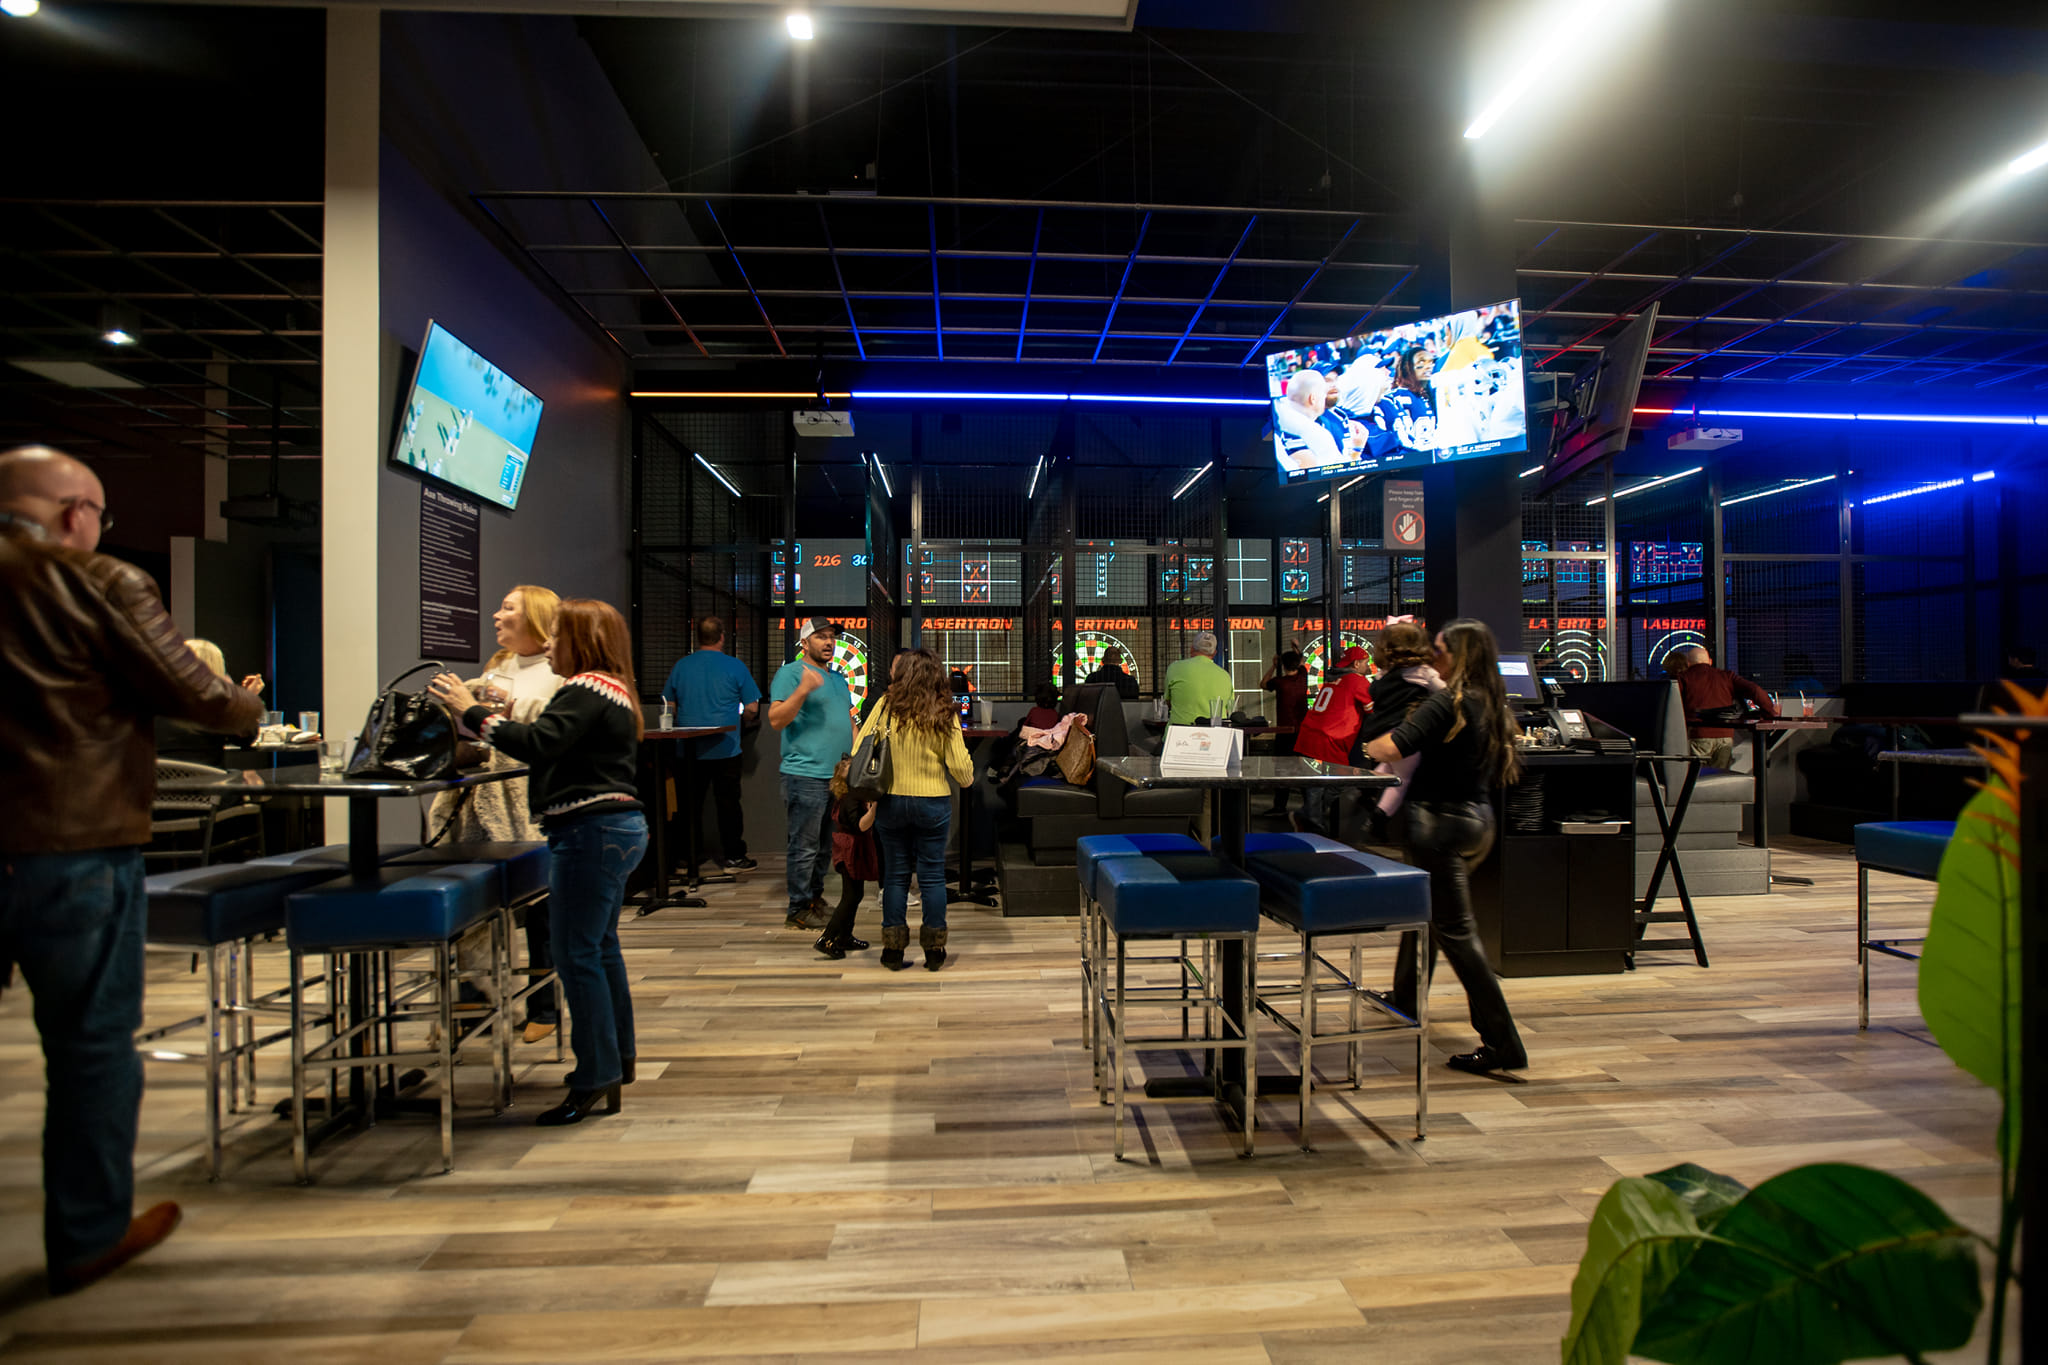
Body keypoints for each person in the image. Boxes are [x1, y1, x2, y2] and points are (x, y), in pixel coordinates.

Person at [0, 444, 264, 1294]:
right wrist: (250, 704)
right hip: (71, 841)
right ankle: (88, 1233)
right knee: (90, 1043)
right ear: (75, 513)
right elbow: (202, 694)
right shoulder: (98, 581)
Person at [431, 598, 649, 1127]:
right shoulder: (613, 688)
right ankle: (615, 1061)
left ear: (581, 640)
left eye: (556, 635)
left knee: (577, 955)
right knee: (599, 949)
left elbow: (538, 744)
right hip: (615, 829)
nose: (549, 644)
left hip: (589, 832)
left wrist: (471, 710)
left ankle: (593, 1075)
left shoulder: (585, 688)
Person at [1364, 618, 1529, 1075]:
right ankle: (1405, 995)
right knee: (1428, 914)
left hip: (1437, 827)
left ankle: (1502, 1042)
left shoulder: (1447, 702)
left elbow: (1391, 748)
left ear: (1460, 656)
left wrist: (1371, 740)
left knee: (1457, 934)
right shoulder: (1492, 703)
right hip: (1478, 824)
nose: (1432, 656)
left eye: (1440, 649)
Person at [429, 585, 563, 1045]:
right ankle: (474, 999)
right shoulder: (496, 667)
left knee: (542, 908)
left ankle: (544, 1004)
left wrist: (477, 709)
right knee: (475, 901)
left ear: (536, 618)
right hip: (479, 803)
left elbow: (545, 733)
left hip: (533, 804)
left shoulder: (558, 673)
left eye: (508, 608)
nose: (496, 616)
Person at [855, 648, 973, 971]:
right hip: (933, 802)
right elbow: (962, 771)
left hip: (891, 801)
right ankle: (934, 952)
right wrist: (966, 776)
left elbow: (859, 748)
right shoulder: (944, 710)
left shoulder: (885, 705)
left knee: (895, 876)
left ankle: (893, 952)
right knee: (932, 876)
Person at [768, 618, 854, 931]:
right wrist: (803, 689)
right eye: (820, 636)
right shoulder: (791, 674)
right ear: (804, 643)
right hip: (805, 774)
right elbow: (776, 719)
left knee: (824, 847)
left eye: (831, 636)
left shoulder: (838, 679)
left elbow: (847, 720)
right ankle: (798, 908)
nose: (828, 642)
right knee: (804, 847)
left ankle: (814, 899)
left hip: (836, 777)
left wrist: (855, 757)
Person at [661, 616, 763, 876]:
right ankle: (733, 857)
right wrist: (742, 721)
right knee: (728, 804)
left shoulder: (681, 666)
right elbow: (752, 708)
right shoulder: (735, 666)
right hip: (726, 747)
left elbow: (669, 705)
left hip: (688, 749)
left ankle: (686, 857)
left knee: (688, 805)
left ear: (698, 637)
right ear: (722, 637)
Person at [1363, 620, 1445, 822]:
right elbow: (1446, 694)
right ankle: (1380, 815)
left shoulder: (1384, 674)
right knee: (1403, 779)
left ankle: (1367, 791)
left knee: (1388, 767)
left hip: (1378, 732)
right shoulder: (1423, 672)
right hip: (1405, 733)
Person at [1292, 644, 1374, 838]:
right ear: (1356, 664)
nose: (1368, 666)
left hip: (1311, 733)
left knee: (1317, 784)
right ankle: (1313, 825)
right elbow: (1372, 709)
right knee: (1334, 782)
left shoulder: (1334, 679)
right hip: (1329, 738)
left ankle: (1308, 819)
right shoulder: (1357, 680)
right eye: (1365, 662)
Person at [153, 638, 264, 767]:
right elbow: (246, 739)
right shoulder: (218, 707)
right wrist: (247, 698)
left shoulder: (153, 702)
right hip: (209, 777)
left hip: (160, 778)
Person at [1667, 644, 1775, 770]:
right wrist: (1769, 713)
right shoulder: (1727, 676)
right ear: (1710, 661)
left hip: (1698, 735)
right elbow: (1755, 690)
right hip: (1725, 736)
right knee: (1720, 776)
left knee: (1696, 777)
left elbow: (1671, 705)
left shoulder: (1683, 678)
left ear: (1688, 663)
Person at [815, 787, 877, 960]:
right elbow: (861, 825)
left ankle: (844, 937)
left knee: (855, 894)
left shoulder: (850, 795)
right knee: (850, 897)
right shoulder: (851, 798)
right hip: (850, 851)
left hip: (853, 849)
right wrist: (874, 808)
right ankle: (827, 938)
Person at [1260, 643, 1309, 813]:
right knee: (1304, 768)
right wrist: (1297, 648)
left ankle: (1280, 805)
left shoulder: (1280, 682)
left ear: (1283, 666)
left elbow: (1263, 683)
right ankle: (1310, 805)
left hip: (1285, 732)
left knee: (1282, 768)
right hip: (1302, 732)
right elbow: (1301, 662)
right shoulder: (1303, 676)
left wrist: (1273, 665)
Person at [1163, 630, 1236, 725]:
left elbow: (1168, 701)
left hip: (1179, 731)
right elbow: (1228, 708)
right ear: (1214, 653)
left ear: (1191, 649)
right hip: (1215, 731)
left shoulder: (1174, 668)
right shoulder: (1225, 675)